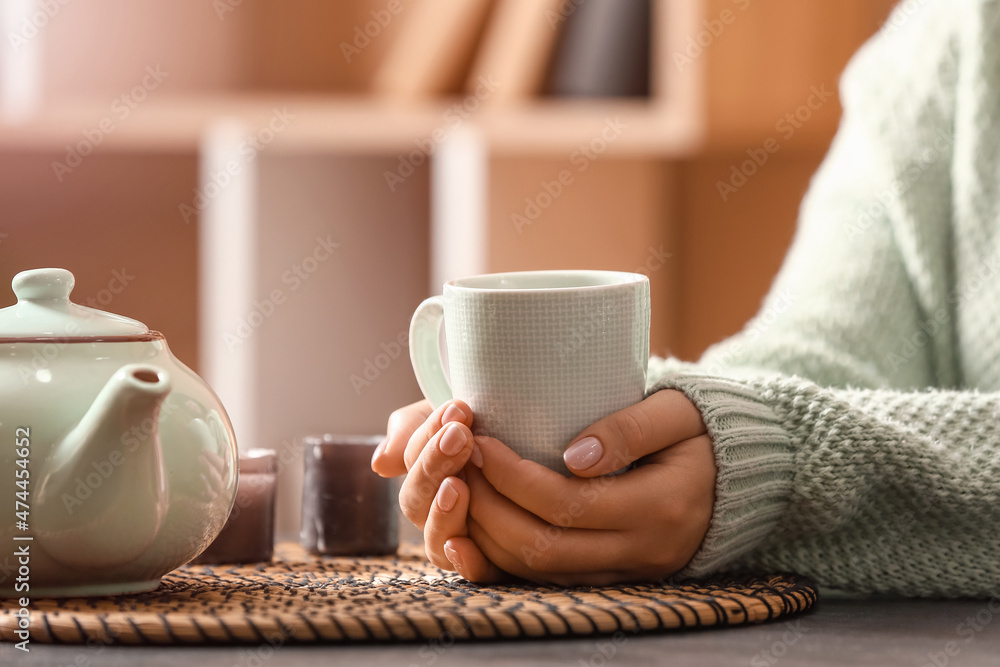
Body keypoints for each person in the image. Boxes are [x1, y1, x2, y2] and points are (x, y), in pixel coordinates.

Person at [372, 0, 1000, 598]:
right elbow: (829, 352)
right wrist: (650, 423)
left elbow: (800, 427)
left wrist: (779, 471)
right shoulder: (950, 34)